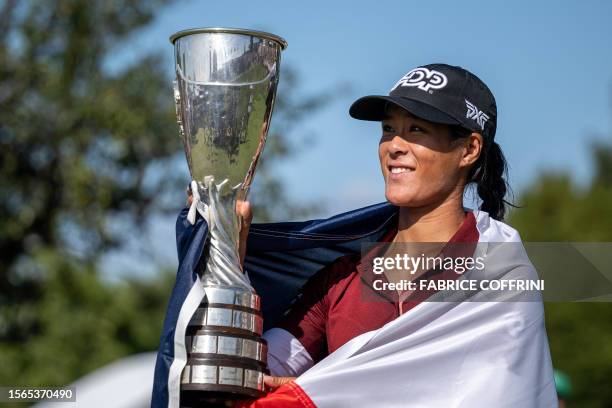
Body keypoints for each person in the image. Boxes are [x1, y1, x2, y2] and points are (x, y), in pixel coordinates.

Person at [157, 64, 557, 407]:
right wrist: (229, 263)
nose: (394, 147)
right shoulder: (342, 280)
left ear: (469, 149)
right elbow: (246, 380)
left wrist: (321, 394)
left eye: (416, 129)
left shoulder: (500, 272)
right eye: (388, 130)